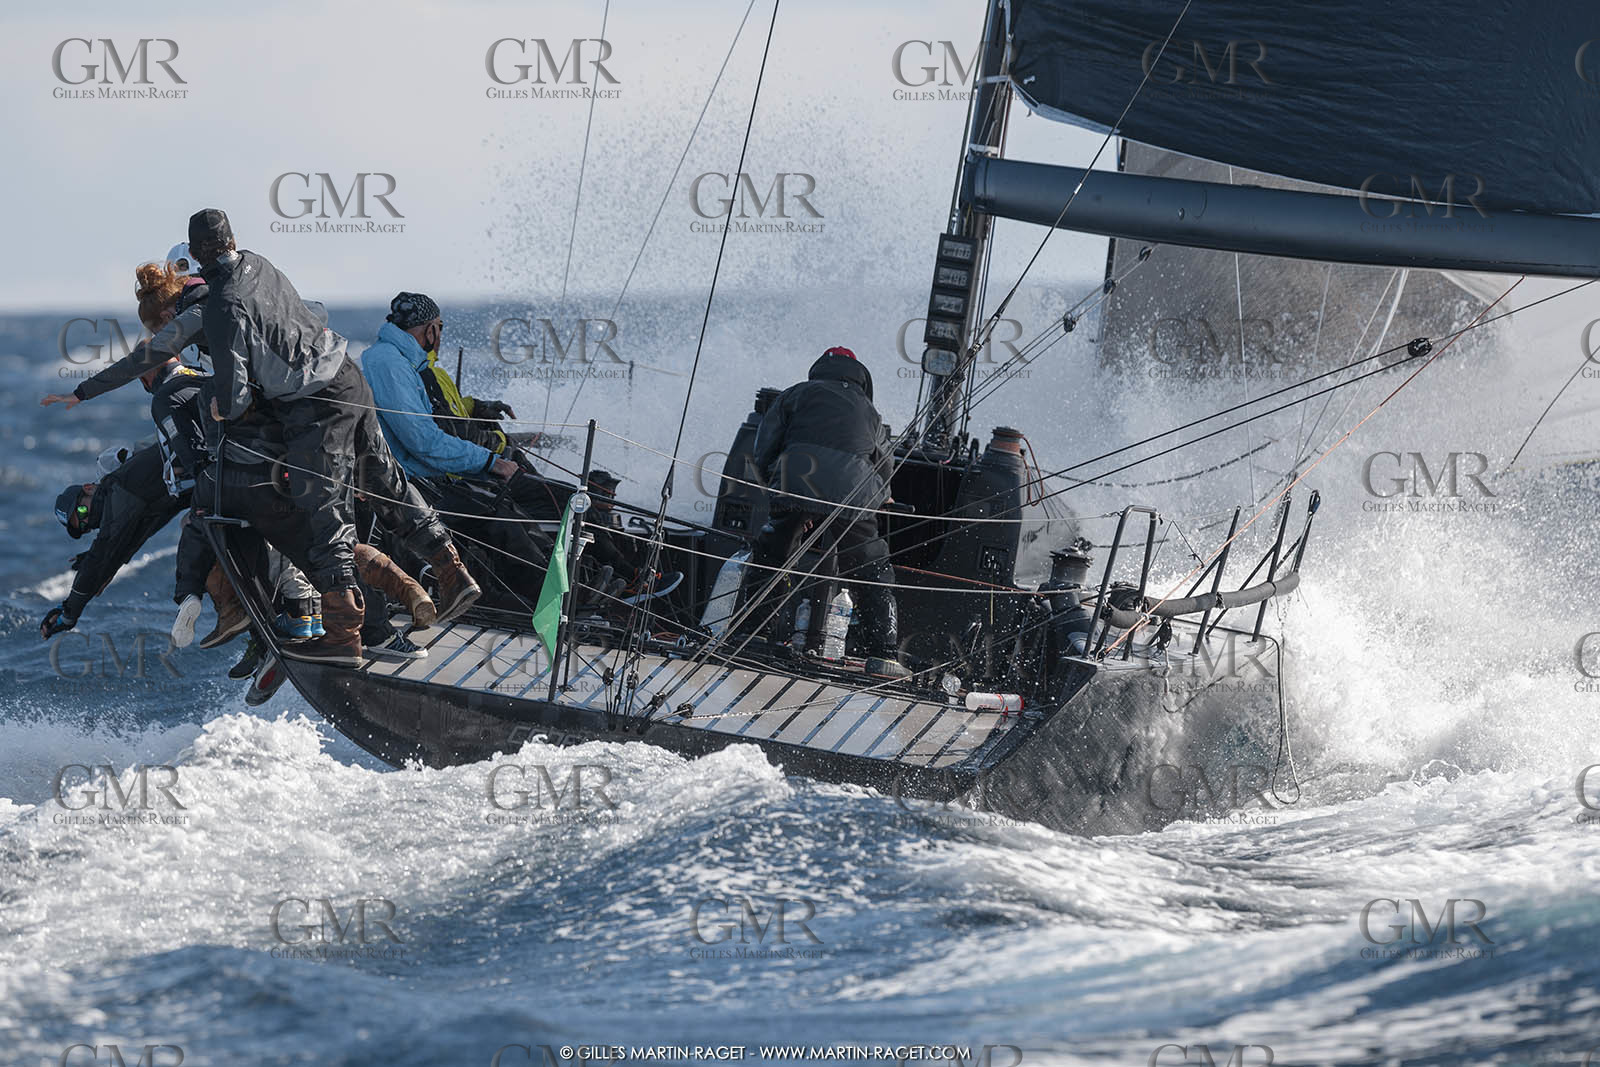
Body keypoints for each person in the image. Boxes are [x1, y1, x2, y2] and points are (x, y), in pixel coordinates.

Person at [188, 208, 478, 665]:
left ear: (192, 254)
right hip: (347, 375)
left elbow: (237, 397)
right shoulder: (259, 263)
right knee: (386, 482)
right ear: (233, 240)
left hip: (316, 406)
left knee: (327, 519)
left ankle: (343, 637)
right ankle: (453, 572)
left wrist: (218, 405)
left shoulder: (221, 303)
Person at [360, 292, 557, 608]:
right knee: (495, 515)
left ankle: (563, 587)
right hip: (410, 485)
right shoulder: (389, 364)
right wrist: (490, 462)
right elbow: (423, 441)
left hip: (427, 478)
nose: (440, 336)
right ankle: (551, 602)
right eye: (440, 327)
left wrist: (477, 408)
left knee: (504, 508)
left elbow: (436, 418)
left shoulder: (403, 360)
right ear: (429, 330)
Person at [745, 346, 908, 679]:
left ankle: (754, 632)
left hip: (796, 482)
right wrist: (881, 499)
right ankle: (884, 653)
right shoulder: (869, 411)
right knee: (870, 569)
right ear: (860, 375)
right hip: (853, 495)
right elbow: (885, 464)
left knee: (774, 554)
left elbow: (764, 447)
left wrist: (775, 491)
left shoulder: (795, 395)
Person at [41, 445, 186, 640]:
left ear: (89, 488)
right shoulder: (127, 504)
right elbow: (135, 535)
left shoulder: (120, 488)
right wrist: (106, 569)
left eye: (82, 512)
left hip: (217, 469)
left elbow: (103, 550)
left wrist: (69, 613)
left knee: (193, 528)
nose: (88, 519)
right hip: (211, 481)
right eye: (84, 526)